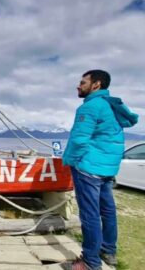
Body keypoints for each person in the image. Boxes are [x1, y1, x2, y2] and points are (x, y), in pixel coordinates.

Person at [62, 70, 138, 270]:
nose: (78, 86)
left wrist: (70, 161)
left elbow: (79, 140)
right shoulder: (110, 106)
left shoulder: (90, 107)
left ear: (96, 84)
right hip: (107, 169)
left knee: (90, 215)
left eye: (82, 82)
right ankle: (109, 251)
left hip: (88, 168)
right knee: (108, 211)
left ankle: (90, 262)